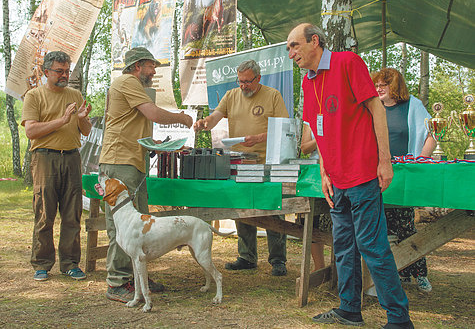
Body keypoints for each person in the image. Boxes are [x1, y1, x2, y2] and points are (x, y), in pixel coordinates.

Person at [287, 23, 413, 329]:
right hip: (336, 179)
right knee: (343, 245)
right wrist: (323, 171)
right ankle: (349, 309)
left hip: (362, 173)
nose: (291, 53)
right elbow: (319, 129)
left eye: (294, 45)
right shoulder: (308, 82)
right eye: (289, 48)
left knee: (372, 245)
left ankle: (399, 319)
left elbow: (377, 109)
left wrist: (385, 161)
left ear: (314, 41)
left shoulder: (347, 62)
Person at [99, 47, 193, 303]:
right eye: (152, 66)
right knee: (122, 225)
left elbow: (137, 124)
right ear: (138, 66)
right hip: (120, 161)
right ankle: (118, 282)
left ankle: (137, 278)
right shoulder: (127, 81)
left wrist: (158, 144)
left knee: (138, 224)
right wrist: (181, 118)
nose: (154, 71)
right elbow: (152, 113)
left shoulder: (132, 86)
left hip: (132, 161)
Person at [194, 59, 289, 276]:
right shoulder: (231, 95)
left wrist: (259, 138)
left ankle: (277, 260)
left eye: (247, 81)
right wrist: (204, 123)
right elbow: (216, 116)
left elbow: (283, 128)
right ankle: (247, 257)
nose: (243, 86)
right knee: (242, 207)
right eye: (240, 81)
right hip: (239, 161)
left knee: (272, 208)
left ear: (258, 79)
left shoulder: (273, 95)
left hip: (267, 162)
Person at [21, 51, 92, 281]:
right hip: (44, 158)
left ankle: (70, 263)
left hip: (72, 157)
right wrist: (62, 120)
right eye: (59, 71)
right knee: (45, 212)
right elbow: (31, 130)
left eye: (67, 71)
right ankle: (42, 263)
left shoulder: (75, 94)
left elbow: (87, 130)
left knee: (72, 213)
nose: (64, 75)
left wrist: (81, 118)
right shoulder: (35, 96)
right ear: (46, 72)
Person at [372, 67, 436, 293]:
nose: (378, 88)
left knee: (406, 226)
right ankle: (396, 273)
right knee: (383, 226)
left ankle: (419, 274)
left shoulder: (414, 105)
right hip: (377, 173)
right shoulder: (372, 107)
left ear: (395, 86)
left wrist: (420, 161)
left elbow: (432, 133)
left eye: (383, 85)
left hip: (404, 173)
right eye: (377, 84)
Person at [299, 122, 332, 271]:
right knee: (311, 219)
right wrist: (322, 138)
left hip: (336, 169)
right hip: (315, 173)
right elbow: (305, 148)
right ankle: (319, 267)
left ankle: (340, 269)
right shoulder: (310, 116)